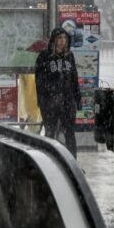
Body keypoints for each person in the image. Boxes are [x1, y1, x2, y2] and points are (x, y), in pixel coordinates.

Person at [35, 27, 81, 157]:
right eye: (59, 38)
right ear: (54, 40)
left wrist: (78, 98)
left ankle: (72, 160)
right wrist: (41, 100)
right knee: (50, 132)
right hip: (50, 101)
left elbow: (74, 78)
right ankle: (49, 158)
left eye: (65, 38)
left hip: (67, 100)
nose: (62, 41)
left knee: (69, 132)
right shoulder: (44, 56)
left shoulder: (69, 56)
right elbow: (39, 81)